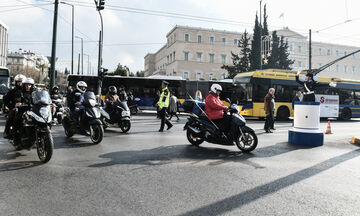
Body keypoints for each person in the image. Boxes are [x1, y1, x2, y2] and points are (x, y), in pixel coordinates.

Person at [3, 74, 26, 138]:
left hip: (26, 108)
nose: (19, 83)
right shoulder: (13, 91)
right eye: (18, 82)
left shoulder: (27, 91)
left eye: (21, 82)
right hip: (16, 108)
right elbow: (6, 99)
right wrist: (12, 106)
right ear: (16, 82)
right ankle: (7, 132)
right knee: (11, 115)